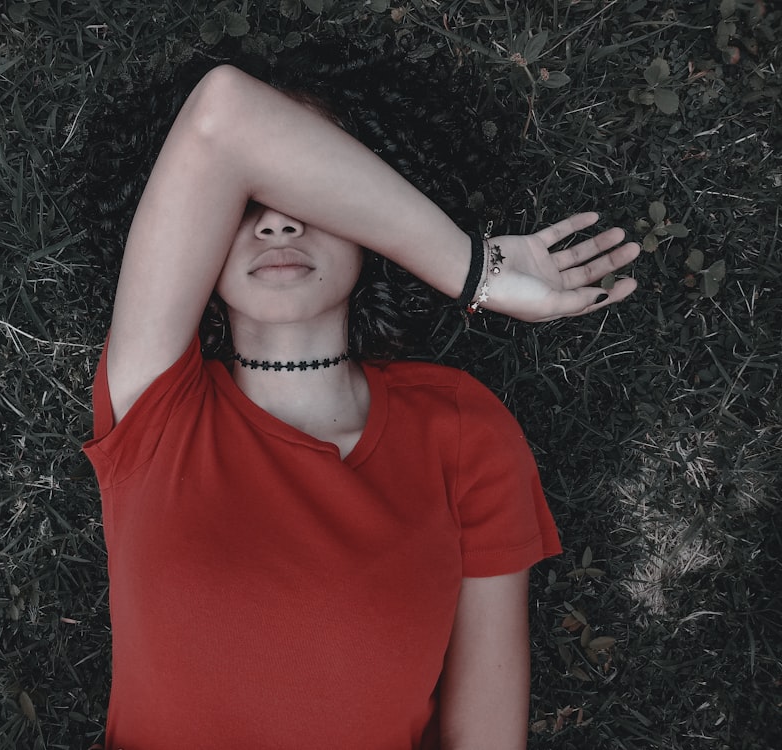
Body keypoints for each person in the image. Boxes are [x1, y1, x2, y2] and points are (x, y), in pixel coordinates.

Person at [81, 50, 639, 750]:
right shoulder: (156, 409)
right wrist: (476, 272)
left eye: (312, 197)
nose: (279, 224)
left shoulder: (460, 428)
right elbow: (222, 118)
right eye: (246, 201)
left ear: (375, 218)